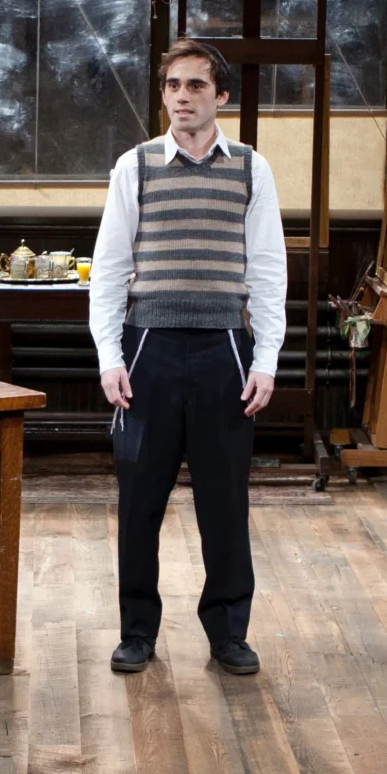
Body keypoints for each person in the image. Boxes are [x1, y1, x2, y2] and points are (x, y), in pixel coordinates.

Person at [89, 37, 284, 677]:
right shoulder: (134, 167)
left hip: (226, 348)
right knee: (139, 499)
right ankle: (137, 631)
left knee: (224, 501)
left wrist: (267, 360)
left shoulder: (251, 169)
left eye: (196, 86)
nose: (182, 97)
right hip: (148, 348)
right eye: (173, 86)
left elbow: (269, 271)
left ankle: (229, 632)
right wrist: (109, 356)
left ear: (220, 96)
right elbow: (111, 270)